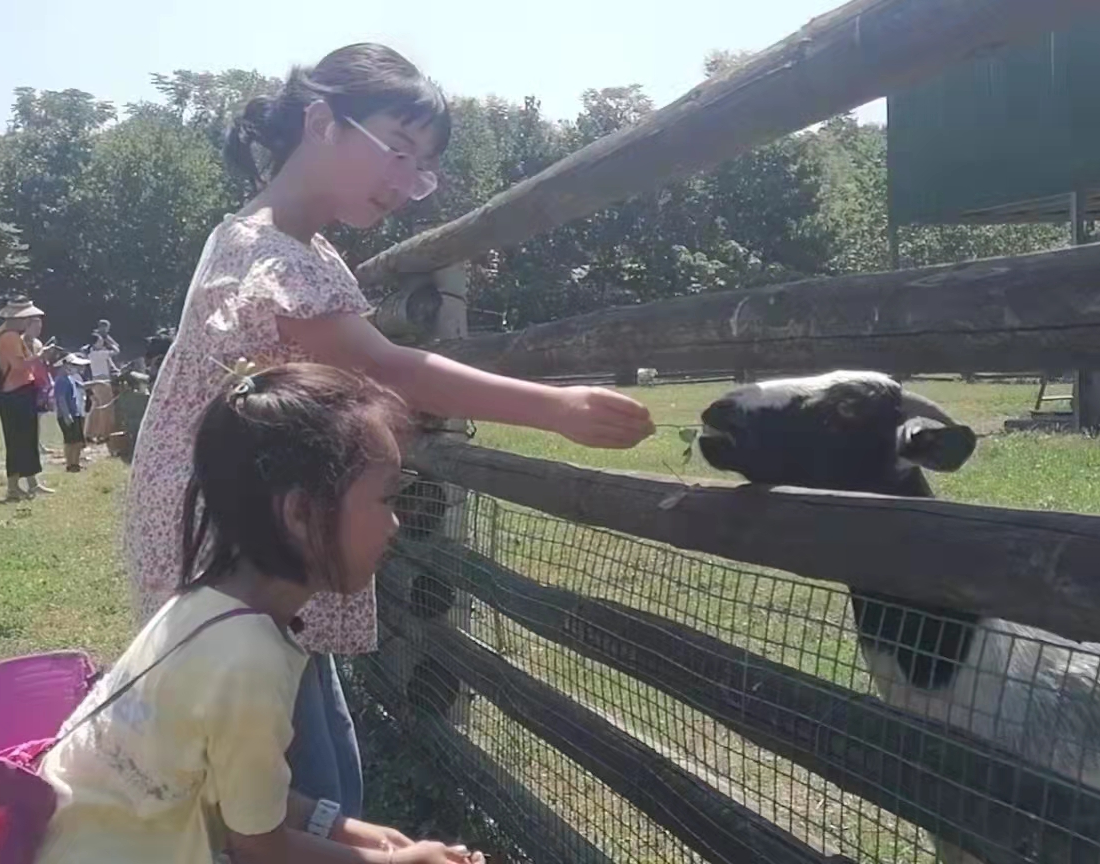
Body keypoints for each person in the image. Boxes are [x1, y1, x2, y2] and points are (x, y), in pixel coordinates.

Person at [124, 43, 655, 822]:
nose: (406, 182)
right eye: (397, 149)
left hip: (252, 536)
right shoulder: (268, 255)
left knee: (310, 760)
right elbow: (384, 365)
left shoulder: (291, 245)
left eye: (423, 167)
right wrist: (557, 409)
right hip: (239, 552)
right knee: (287, 780)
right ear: (321, 122)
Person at [39, 363, 481, 864]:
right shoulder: (251, 661)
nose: (395, 524)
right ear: (300, 513)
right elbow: (257, 846)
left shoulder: (206, 605)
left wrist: (354, 833)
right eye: (386, 498)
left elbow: (242, 795)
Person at [0, 299, 54, 501]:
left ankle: (32, 483)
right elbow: (20, 366)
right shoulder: (9, 337)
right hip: (15, 393)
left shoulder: (10, 335)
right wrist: (41, 355)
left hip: (21, 392)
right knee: (17, 441)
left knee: (28, 440)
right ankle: (13, 488)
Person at [52, 352, 92, 473]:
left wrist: (100, 383)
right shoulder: (61, 380)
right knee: (71, 441)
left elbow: (82, 386)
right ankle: (71, 464)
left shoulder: (70, 378)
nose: (75, 367)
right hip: (68, 415)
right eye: (72, 365)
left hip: (75, 414)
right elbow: (61, 399)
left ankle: (75, 463)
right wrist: (66, 415)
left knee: (77, 441)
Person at [84, 321, 121, 444]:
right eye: (99, 341)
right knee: (106, 408)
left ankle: (90, 433)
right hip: (103, 382)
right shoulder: (100, 353)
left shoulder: (91, 353)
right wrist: (108, 339)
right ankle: (104, 433)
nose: (102, 343)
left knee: (96, 408)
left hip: (95, 381)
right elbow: (116, 349)